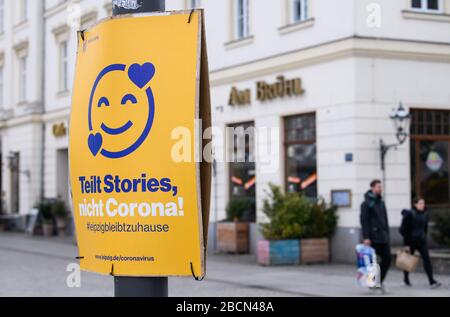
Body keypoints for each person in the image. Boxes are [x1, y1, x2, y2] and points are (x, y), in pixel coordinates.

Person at [400, 198, 441, 289]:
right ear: (415, 204)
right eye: (420, 203)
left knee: (427, 260)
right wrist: (406, 244)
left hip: (421, 241)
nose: (422, 205)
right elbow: (403, 229)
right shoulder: (409, 214)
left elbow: (425, 228)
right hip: (410, 242)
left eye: (423, 203)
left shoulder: (424, 214)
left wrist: (423, 236)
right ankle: (406, 279)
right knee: (407, 261)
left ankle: (431, 281)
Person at [360, 180, 391, 290]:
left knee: (387, 259)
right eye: (378, 187)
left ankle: (378, 281)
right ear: (372, 188)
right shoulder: (366, 203)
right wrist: (366, 237)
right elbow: (364, 221)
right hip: (372, 238)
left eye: (381, 186)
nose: (380, 188)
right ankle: (372, 282)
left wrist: (387, 234)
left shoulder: (381, 202)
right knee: (372, 262)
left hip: (383, 237)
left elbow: (385, 221)